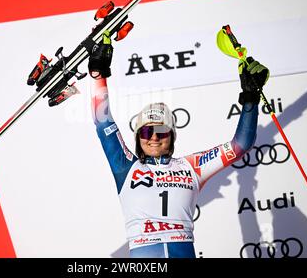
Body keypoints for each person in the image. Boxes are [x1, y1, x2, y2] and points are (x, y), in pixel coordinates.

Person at [88, 30, 269, 258]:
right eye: (146, 130)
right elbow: (102, 120)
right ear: (138, 136)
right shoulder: (125, 166)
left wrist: (250, 97)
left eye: (161, 131)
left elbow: (240, 145)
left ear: (172, 136)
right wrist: (98, 75)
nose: (153, 137)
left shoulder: (191, 167)